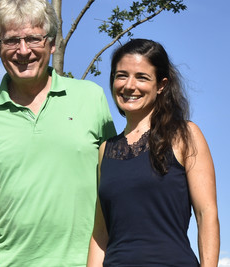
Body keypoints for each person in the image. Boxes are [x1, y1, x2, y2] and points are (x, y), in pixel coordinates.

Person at [0, 0, 116, 266]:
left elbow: (116, 189)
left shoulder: (92, 98)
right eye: (11, 41)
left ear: (52, 42)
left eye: (34, 38)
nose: (24, 51)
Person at [87, 38, 220, 266]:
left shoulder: (185, 135)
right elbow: (100, 234)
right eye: (121, 75)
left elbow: (206, 214)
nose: (129, 85)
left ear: (161, 85)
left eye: (142, 77)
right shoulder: (105, 150)